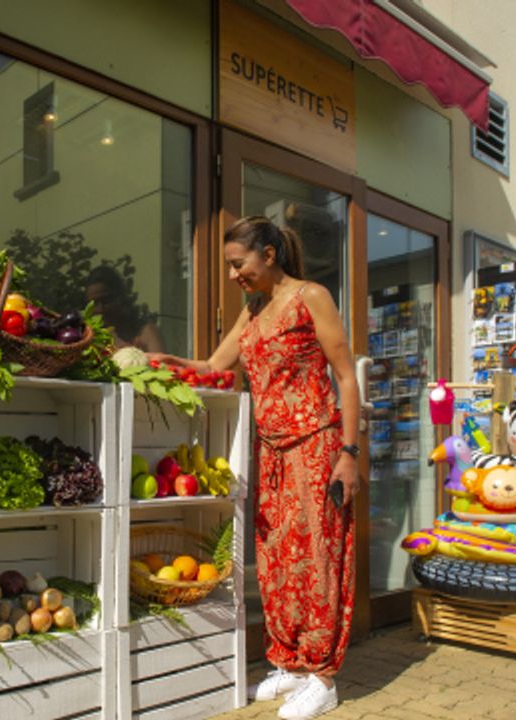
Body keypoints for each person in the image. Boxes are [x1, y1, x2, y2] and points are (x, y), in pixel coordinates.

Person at [149, 216, 359, 720]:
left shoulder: (312, 297)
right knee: (278, 560)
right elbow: (212, 367)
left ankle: (322, 677)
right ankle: (289, 660)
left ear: (268, 254)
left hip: (316, 446)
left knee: (317, 559)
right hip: (271, 452)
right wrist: (161, 360)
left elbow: (347, 378)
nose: (232, 275)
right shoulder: (253, 309)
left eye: (237, 264)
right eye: (228, 266)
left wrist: (349, 454)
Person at [85, 264, 164, 352]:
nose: (101, 309)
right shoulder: (87, 339)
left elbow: (162, 363)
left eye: (106, 301)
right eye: (94, 304)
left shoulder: (146, 333)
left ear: (121, 298)